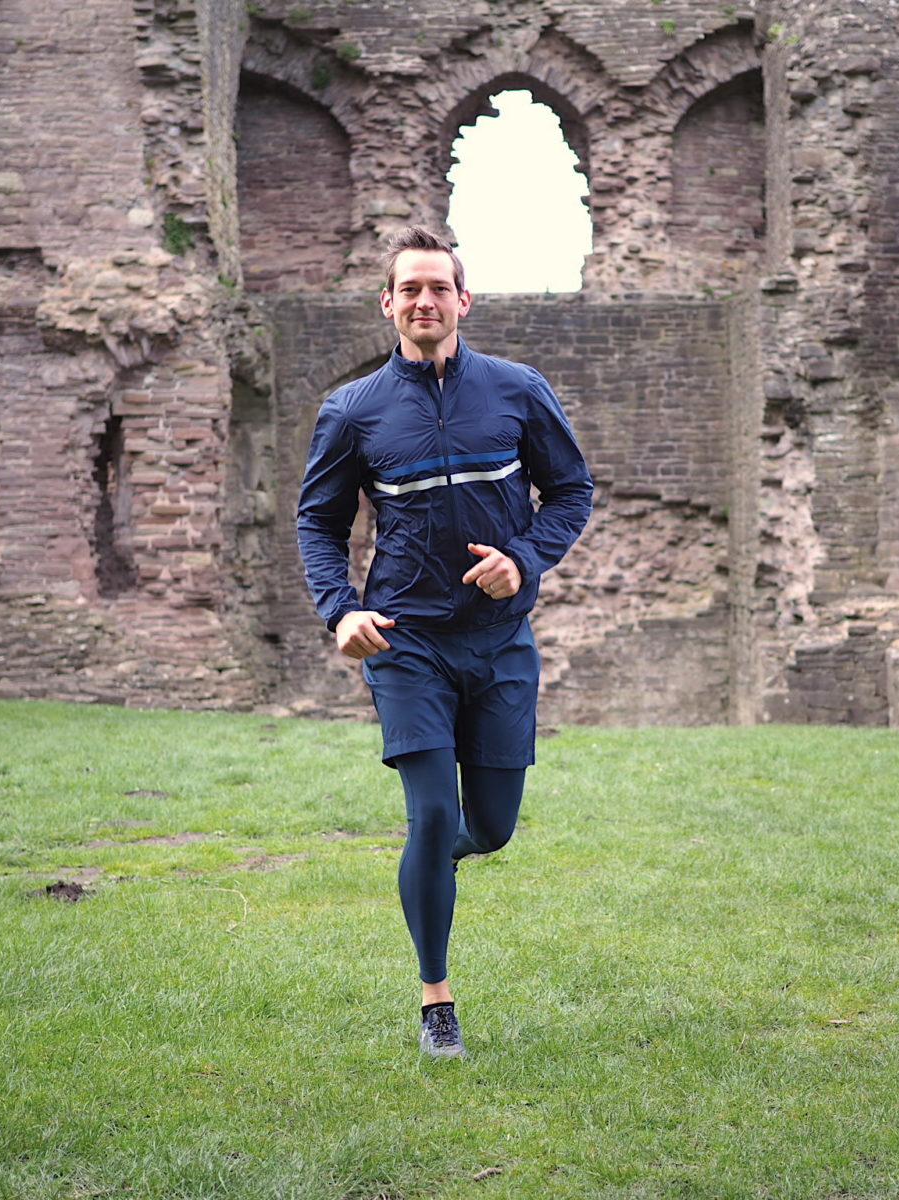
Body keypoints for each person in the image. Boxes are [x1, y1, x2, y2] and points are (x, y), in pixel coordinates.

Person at [296, 226, 593, 1058]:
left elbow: (571, 490)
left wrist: (525, 558)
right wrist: (338, 610)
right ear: (388, 304)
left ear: (463, 301)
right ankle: (437, 1004)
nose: (425, 302)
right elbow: (318, 522)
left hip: (500, 643)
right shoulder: (352, 410)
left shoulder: (517, 391)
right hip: (406, 642)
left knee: (489, 829)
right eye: (409, 290)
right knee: (432, 815)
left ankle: (433, 866)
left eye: (439, 289)